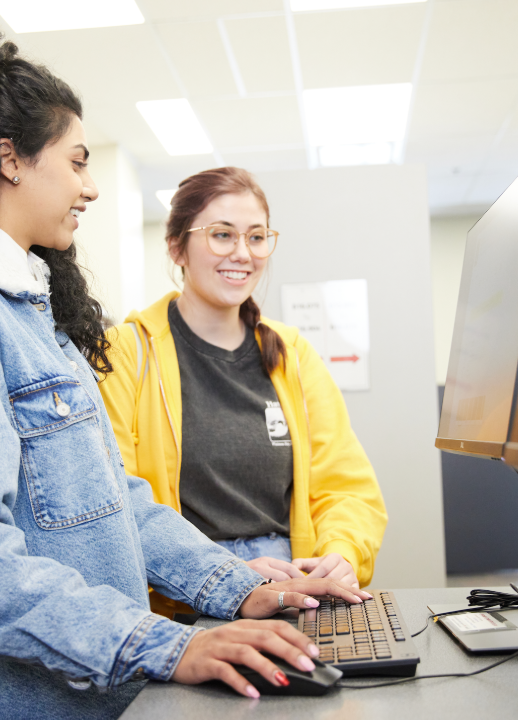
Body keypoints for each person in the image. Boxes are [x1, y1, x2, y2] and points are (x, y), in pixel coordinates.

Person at [0, 30, 366, 720]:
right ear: (10, 160)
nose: (91, 186)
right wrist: (163, 645)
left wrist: (234, 587)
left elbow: (116, 503)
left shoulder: (31, 319)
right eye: (77, 163)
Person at [99, 168, 387, 620]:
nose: (242, 253)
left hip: (295, 586)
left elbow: (346, 487)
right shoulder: (128, 354)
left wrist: (341, 553)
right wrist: (225, 576)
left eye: (256, 237)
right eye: (221, 235)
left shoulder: (292, 355)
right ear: (177, 247)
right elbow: (116, 500)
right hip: (189, 597)